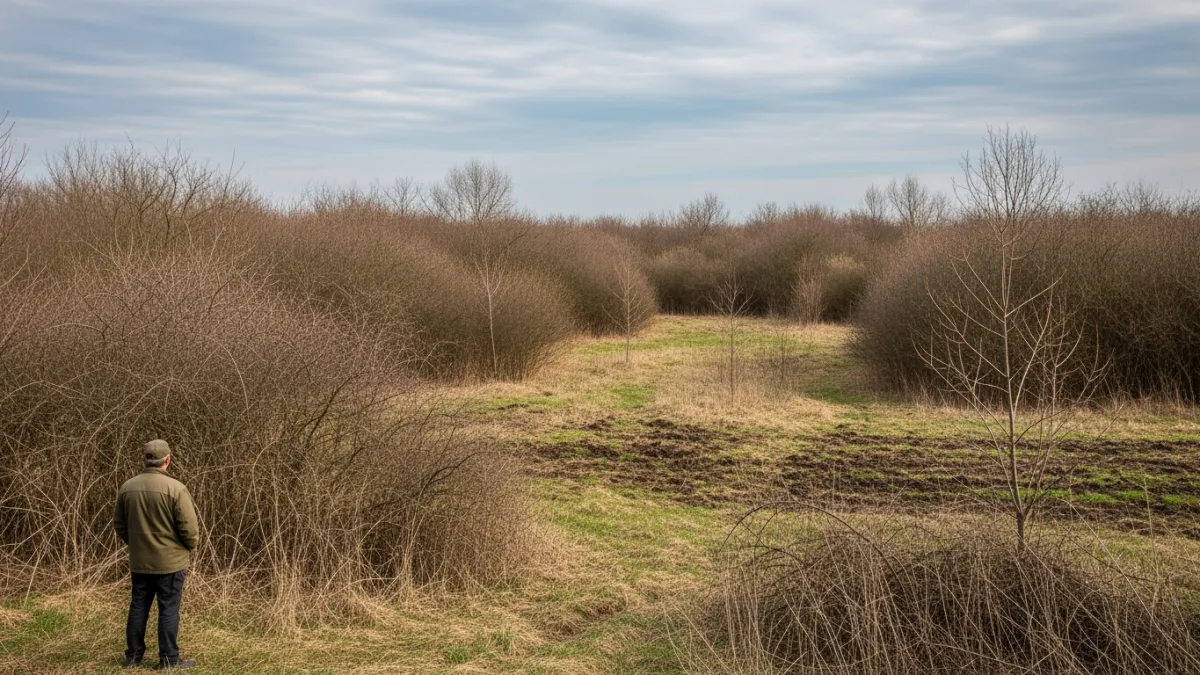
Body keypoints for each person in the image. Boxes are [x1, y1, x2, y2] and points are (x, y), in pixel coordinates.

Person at [114, 439, 200, 670]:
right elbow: (189, 530)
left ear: (144, 459)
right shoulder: (176, 489)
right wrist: (187, 547)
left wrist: (137, 545)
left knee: (138, 606)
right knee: (168, 609)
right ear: (168, 460)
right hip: (170, 563)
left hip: (140, 561)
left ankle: (133, 657)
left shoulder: (127, 487)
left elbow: (119, 525)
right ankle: (169, 660)